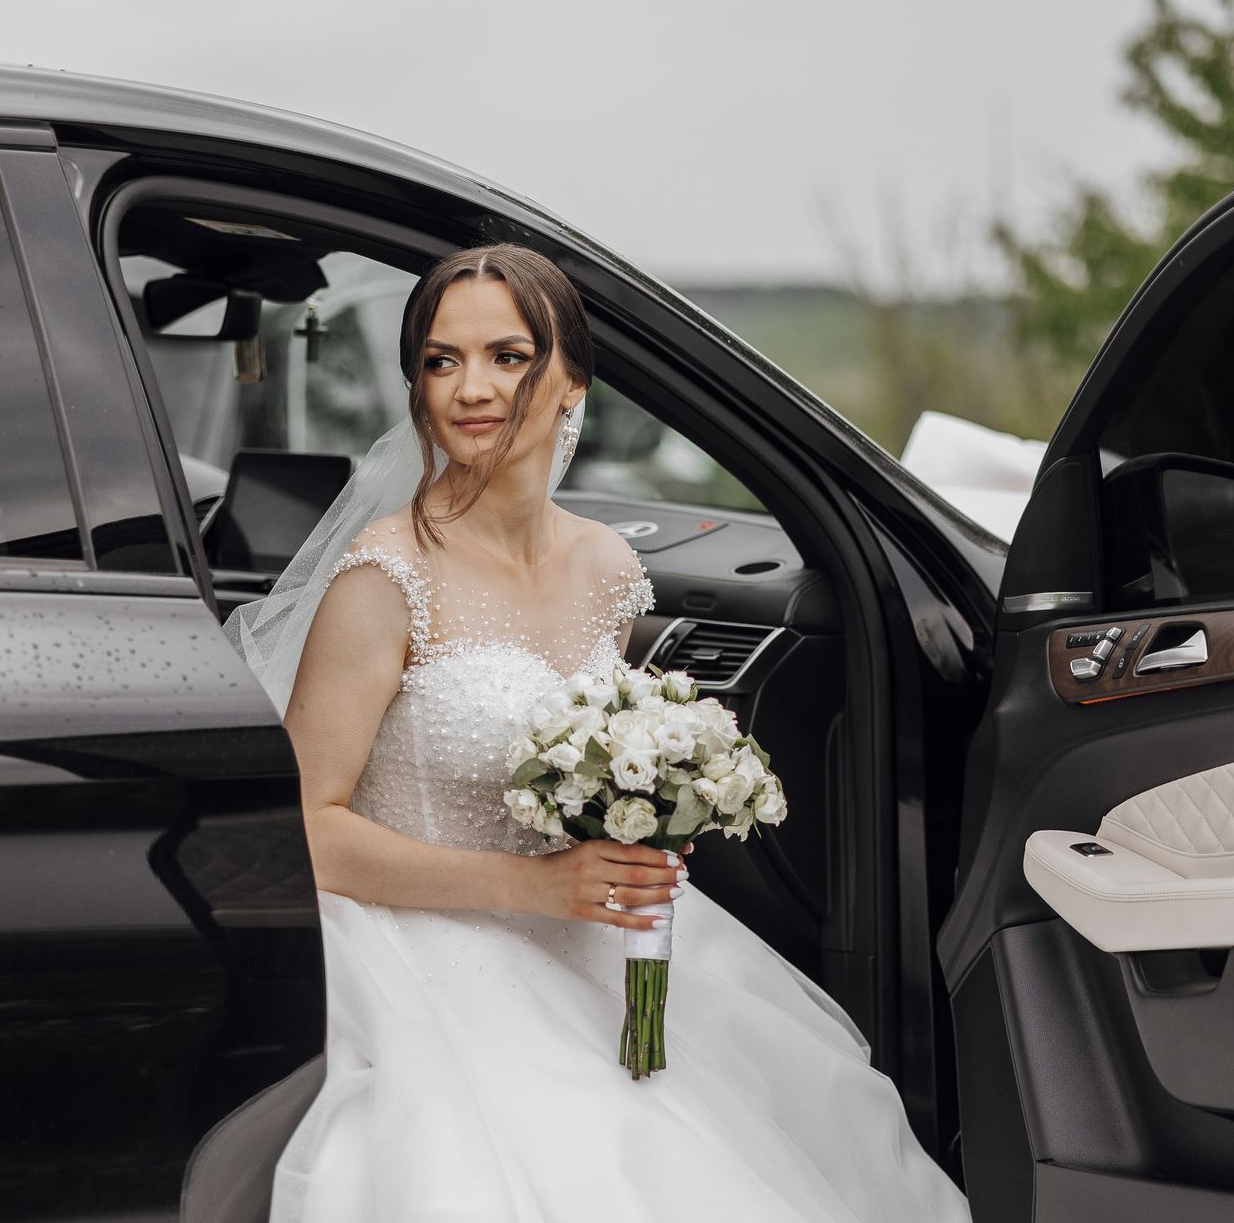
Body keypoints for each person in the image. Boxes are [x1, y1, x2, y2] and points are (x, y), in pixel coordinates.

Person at [217, 243, 970, 1222]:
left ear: (572, 375)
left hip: (590, 933)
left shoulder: (609, 568)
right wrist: (530, 885)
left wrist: (644, 819)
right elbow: (305, 828)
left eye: (507, 355)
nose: (470, 388)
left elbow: (571, 763)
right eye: (441, 360)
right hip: (421, 953)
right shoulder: (384, 573)